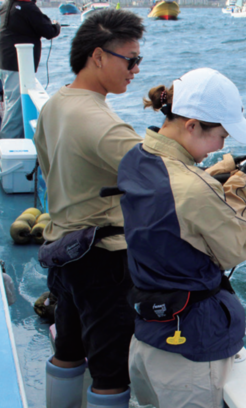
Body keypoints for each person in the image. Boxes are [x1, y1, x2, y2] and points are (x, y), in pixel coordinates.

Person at [119, 68, 246, 408]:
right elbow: (239, 247)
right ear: (191, 125)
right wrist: (239, 187)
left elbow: (170, 202)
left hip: (145, 339)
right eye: (220, 135)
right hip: (187, 355)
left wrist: (212, 174)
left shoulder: (135, 158)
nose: (222, 144)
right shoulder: (194, 188)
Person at [33, 9, 144, 408]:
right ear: (98, 56)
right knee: (110, 373)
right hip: (103, 262)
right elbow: (164, 176)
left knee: (68, 348)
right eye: (130, 60)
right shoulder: (98, 119)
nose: (135, 70)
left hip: (64, 249)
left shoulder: (56, 104)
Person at [0, 0, 60, 139]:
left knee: (11, 103)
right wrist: (57, 25)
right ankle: (8, 144)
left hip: (5, 61)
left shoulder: (6, 6)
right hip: (17, 64)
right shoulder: (27, 8)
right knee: (15, 108)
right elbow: (48, 31)